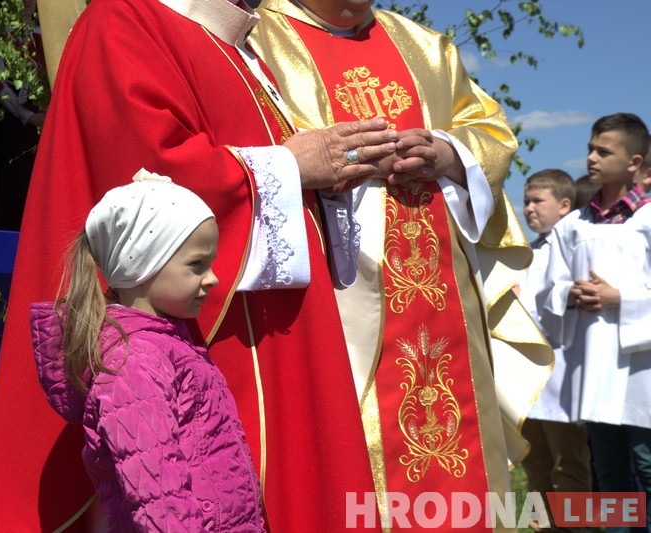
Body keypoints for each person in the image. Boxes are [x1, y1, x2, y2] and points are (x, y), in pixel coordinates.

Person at [0, 0, 399, 531]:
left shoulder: (239, 48)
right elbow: (143, 176)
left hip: (279, 336)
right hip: (202, 356)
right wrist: (291, 165)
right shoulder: (124, 19)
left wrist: (323, 175)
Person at [250, 1, 553, 528]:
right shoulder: (254, 36)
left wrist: (450, 152)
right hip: (333, 287)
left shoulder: (426, 46)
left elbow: (490, 129)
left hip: (444, 292)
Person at [32, 169, 265, 532]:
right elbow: (158, 496)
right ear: (141, 266)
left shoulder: (165, 346)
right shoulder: (134, 363)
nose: (213, 277)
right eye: (196, 265)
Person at [538, 113, 651, 530]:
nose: (591, 158)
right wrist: (567, 294)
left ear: (635, 162)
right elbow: (546, 285)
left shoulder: (647, 220)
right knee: (609, 470)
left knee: (646, 464)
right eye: (590, 148)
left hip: (643, 368)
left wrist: (622, 298)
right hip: (597, 366)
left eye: (604, 151)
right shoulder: (574, 225)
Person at [518, 169, 592, 532]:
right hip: (530, 381)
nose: (529, 209)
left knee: (570, 464)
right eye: (526, 201)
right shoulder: (525, 254)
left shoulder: (577, 246)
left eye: (537, 201)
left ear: (565, 205)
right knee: (537, 464)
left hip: (565, 375)